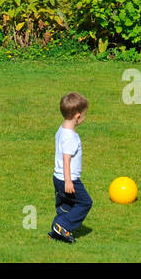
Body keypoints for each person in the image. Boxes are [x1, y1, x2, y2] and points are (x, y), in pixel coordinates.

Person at [51, 91, 92, 242]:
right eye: (84, 114)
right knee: (85, 202)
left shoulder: (61, 130)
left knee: (66, 206)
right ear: (77, 116)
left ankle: (57, 231)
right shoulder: (71, 137)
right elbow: (66, 159)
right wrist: (69, 181)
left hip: (57, 177)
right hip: (69, 179)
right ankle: (63, 225)